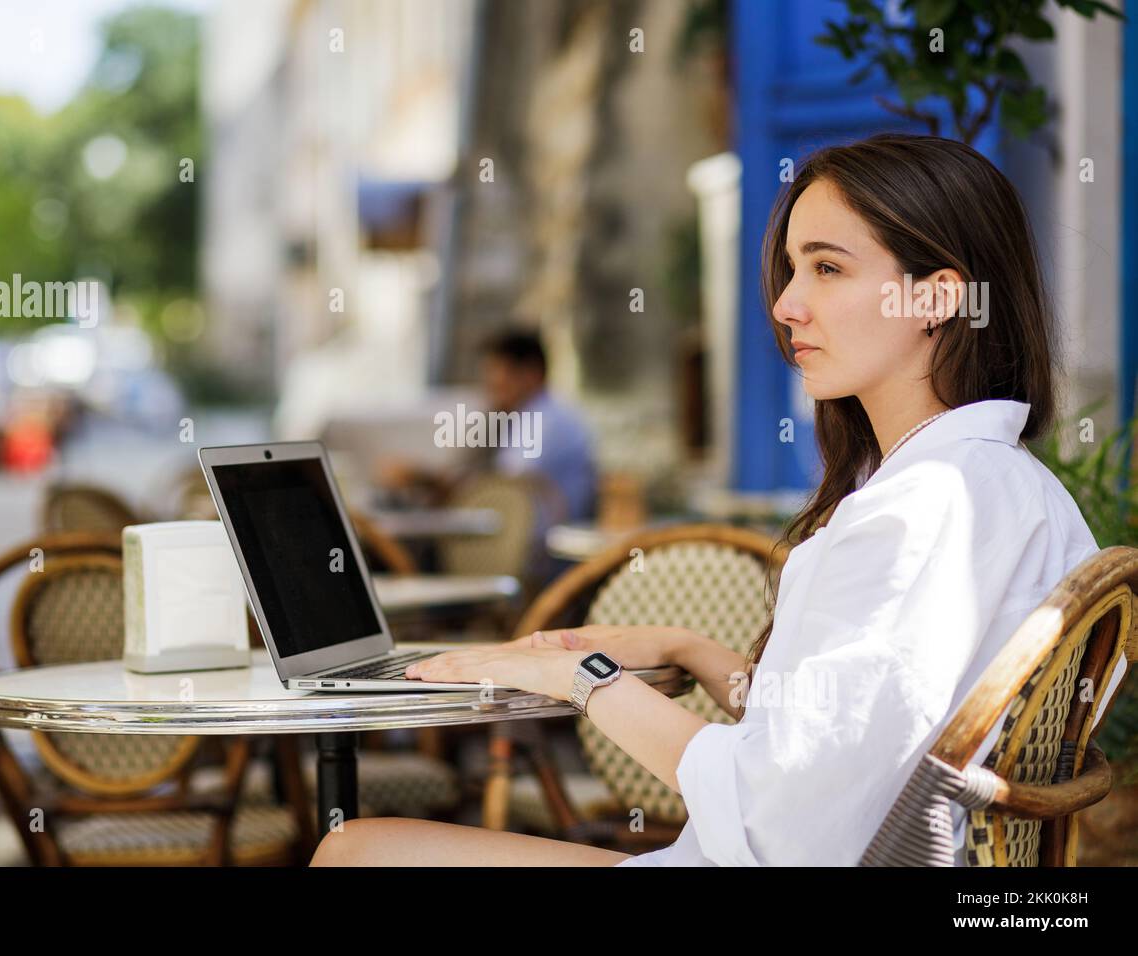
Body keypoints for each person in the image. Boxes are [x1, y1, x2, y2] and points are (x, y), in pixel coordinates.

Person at [310, 133, 1130, 867]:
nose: (785, 304)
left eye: (829, 267)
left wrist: (580, 676)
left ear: (937, 297)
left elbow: (785, 821)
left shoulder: (926, 513)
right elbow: (862, 738)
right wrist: (692, 650)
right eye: (794, 268)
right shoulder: (1019, 494)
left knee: (354, 849)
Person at [375, 327, 597, 525]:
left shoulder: (546, 420)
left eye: (498, 372)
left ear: (531, 374)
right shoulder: (516, 416)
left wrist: (422, 478)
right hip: (512, 540)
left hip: (538, 557)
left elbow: (498, 488)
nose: (490, 383)